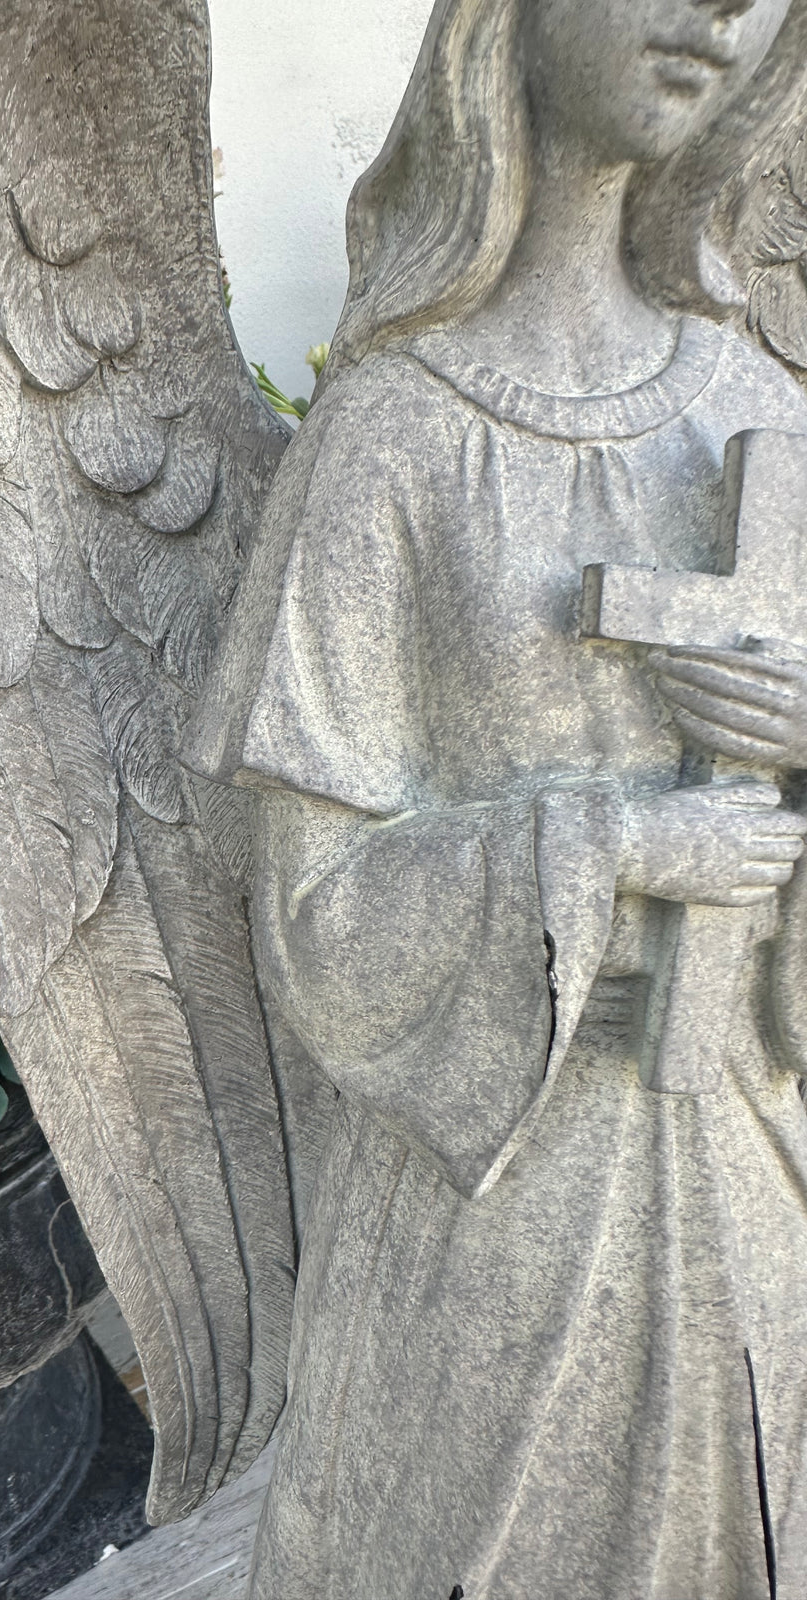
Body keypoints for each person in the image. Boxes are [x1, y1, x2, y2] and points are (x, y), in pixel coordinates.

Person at [186, 0, 807, 1591]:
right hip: (499, 1195)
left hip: (749, 1165)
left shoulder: (770, 421)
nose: (721, 13)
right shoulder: (394, 431)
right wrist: (622, 843)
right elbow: (316, 920)